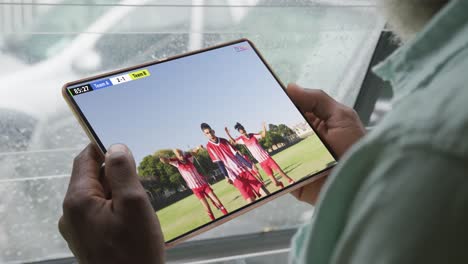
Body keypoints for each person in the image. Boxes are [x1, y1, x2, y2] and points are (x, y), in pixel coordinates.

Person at [59, 0, 468, 263]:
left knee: (260, 181)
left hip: (250, 165)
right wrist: (350, 186)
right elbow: (181, 156)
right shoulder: (434, 130)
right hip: (229, 175)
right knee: (232, 195)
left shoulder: (432, 152)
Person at [200, 123, 269, 203]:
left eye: (210, 132)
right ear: (205, 135)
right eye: (207, 133)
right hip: (234, 176)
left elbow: (236, 154)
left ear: (213, 131)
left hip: (243, 170)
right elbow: (220, 163)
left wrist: (250, 165)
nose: (210, 134)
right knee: (250, 199)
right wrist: (226, 176)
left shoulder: (224, 141)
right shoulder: (209, 147)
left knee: (263, 189)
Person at [160, 148, 228, 221]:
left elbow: (194, 152)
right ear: (177, 156)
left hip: (204, 185)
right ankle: (213, 221)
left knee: (216, 200)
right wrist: (163, 158)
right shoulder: (176, 162)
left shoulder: (189, 158)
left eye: (181, 154)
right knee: (207, 207)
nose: (181, 156)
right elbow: (165, 161)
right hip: (195, 189)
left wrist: (198, 148)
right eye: (179, 155)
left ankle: (226, 215)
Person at [225, 122, 295, 189]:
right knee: (275, 183)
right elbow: (233, 142)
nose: (243, 133)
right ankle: (280, 183)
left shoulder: (253, 135)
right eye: (241, 132)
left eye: (243, 131)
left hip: (267, 158)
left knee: (280, 172)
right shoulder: (242, 139)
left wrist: (264, 127)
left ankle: (290, 181)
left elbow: (263, 135)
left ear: (245, 130)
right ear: (240, 133)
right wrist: (228, 134)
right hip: (262, 163)